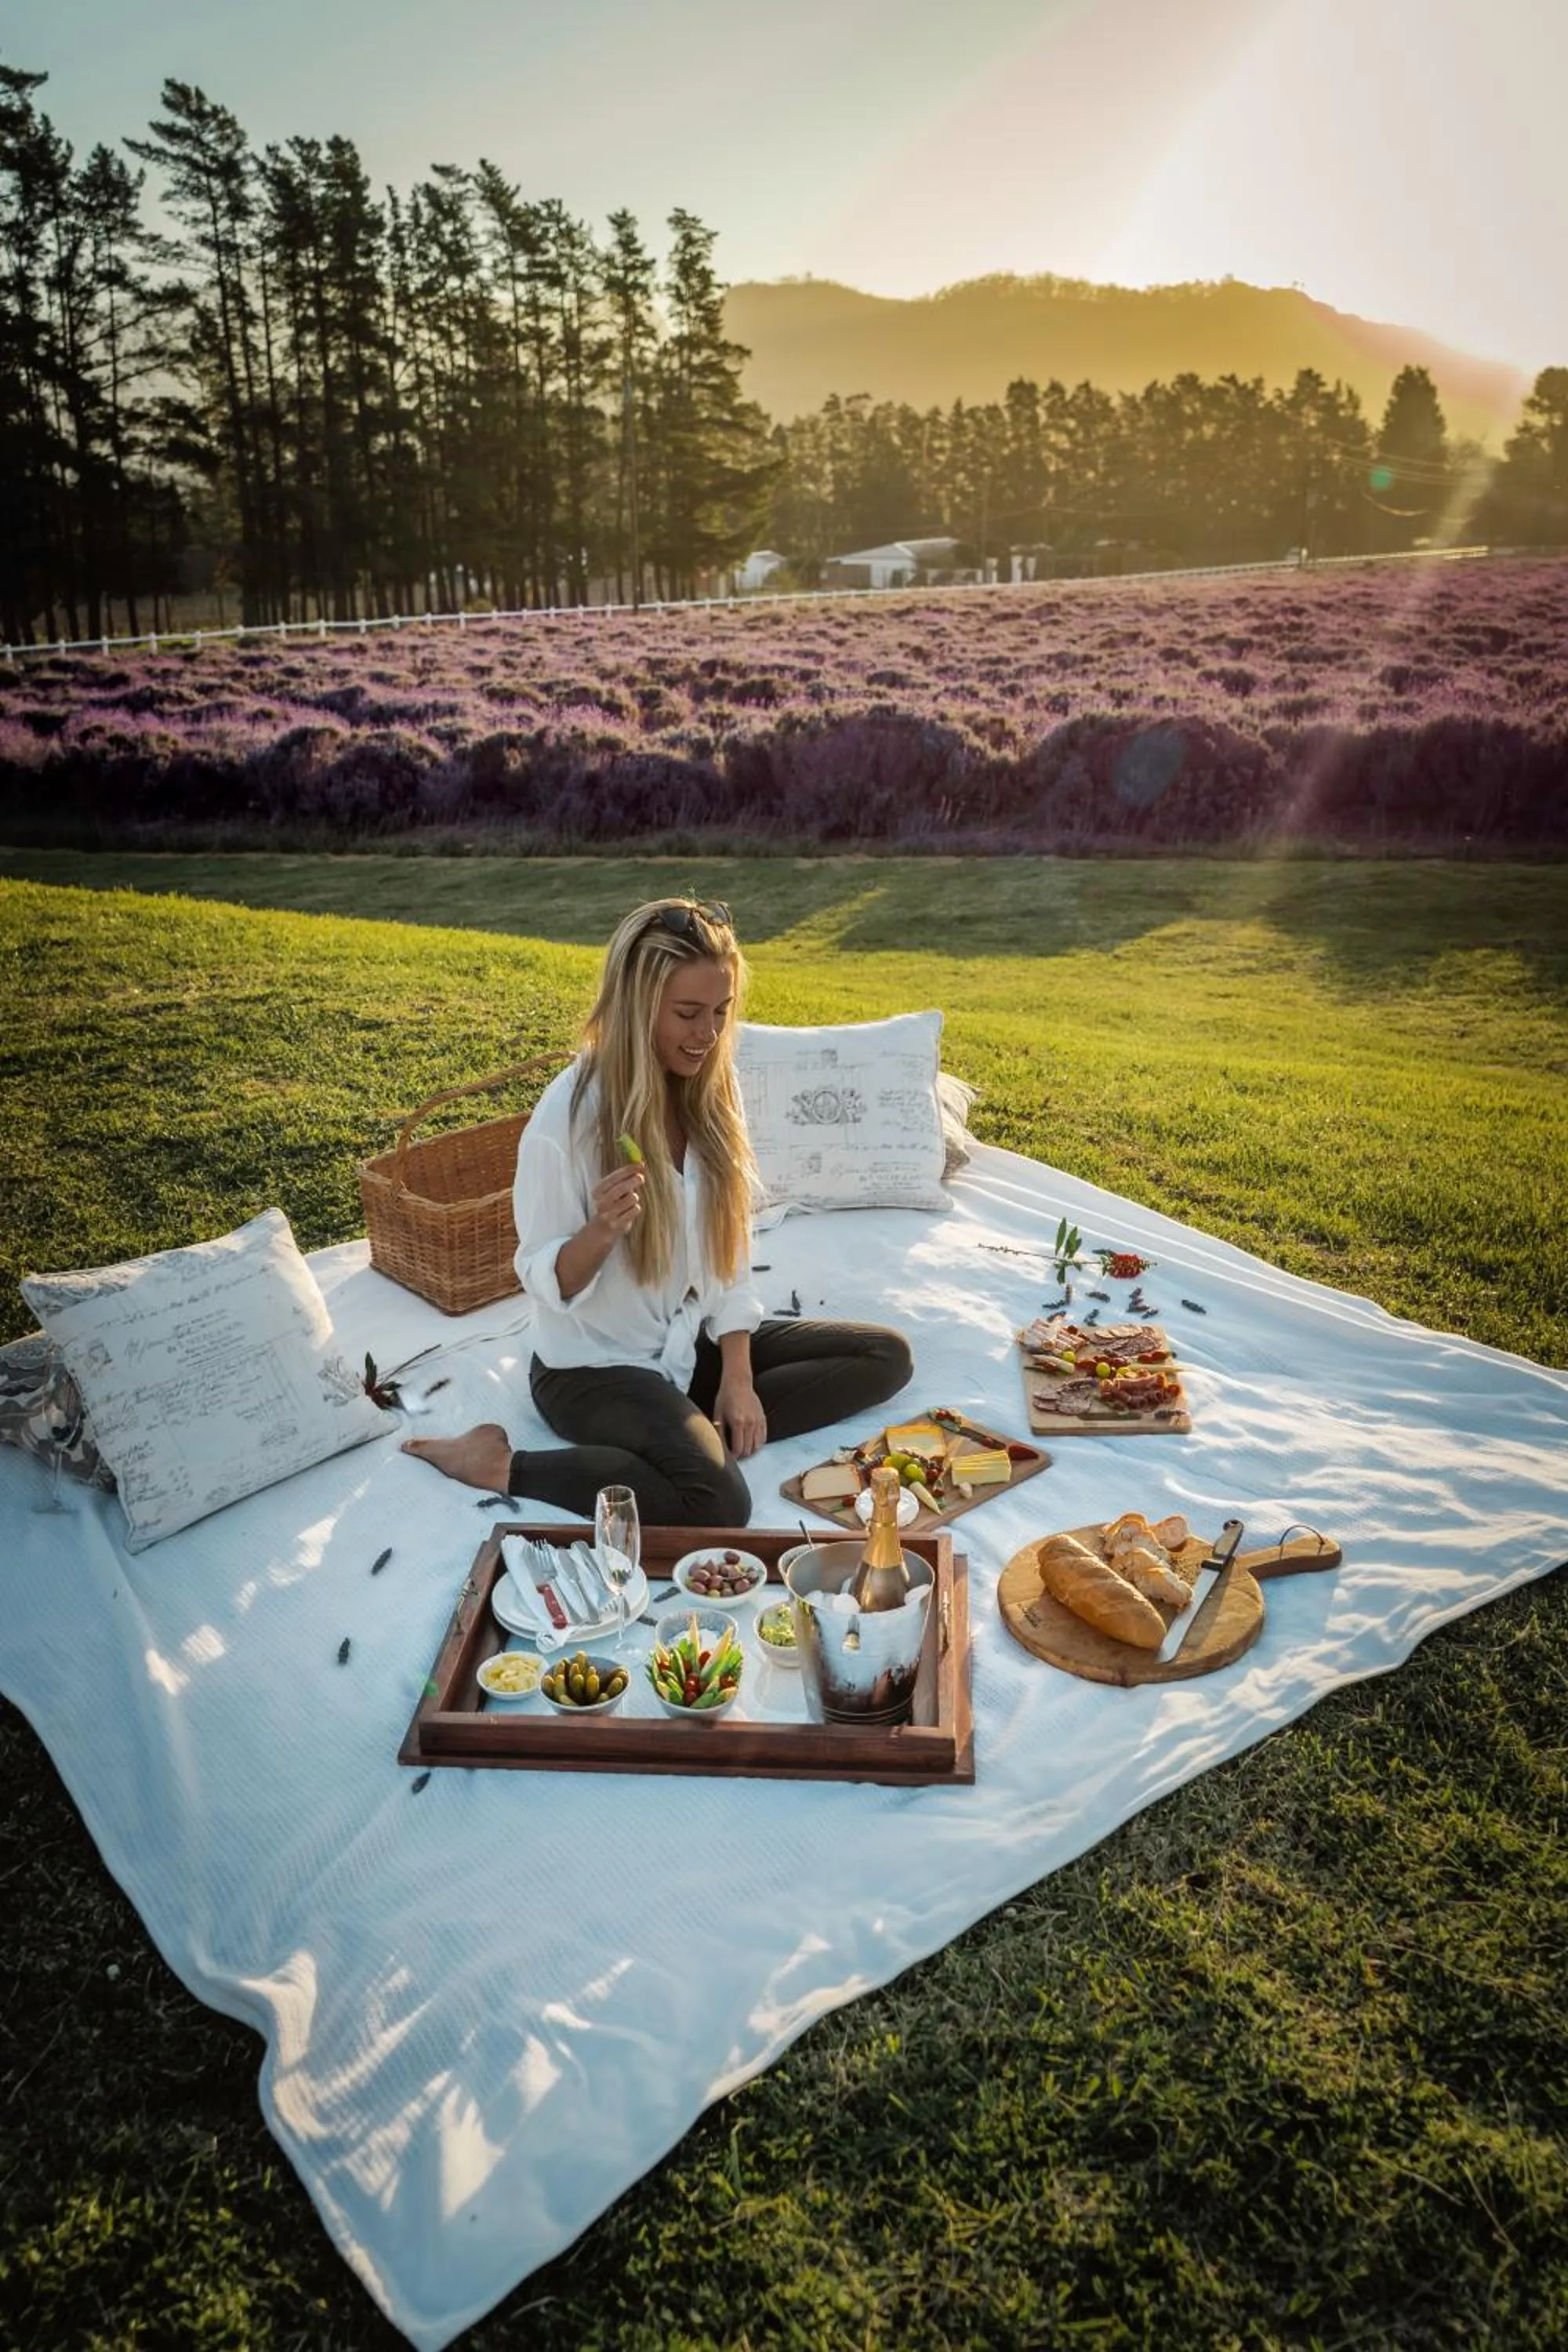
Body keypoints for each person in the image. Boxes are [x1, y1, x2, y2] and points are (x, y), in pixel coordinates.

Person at [402, 897, 913, 1524]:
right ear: (638, 1006)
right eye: (688, 1013)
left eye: (722, 1012)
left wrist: (738, 1377)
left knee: (885, 1356)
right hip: (591, 1369)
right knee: (721, 1504)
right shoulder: (568, 1117)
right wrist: (600, 1231)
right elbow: (541, 1276)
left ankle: (685, 1438)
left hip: (683, 1345)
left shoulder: (710, 1093)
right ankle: (498, 1462)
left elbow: (730, 1258)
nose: (709, 1034)